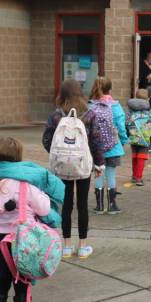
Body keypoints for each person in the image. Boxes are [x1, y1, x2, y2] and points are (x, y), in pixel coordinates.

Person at [0, 137, 65, 302]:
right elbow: (44, 208)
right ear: (18, 159)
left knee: (0, 282)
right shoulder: (24, 184)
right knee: (22, 284)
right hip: (23, 239)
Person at [42, 79, 105, 259]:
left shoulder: (56, 116)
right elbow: (96, 141)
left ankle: (67, 246)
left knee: (67, 205)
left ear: (62, 94)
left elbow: (46, 140)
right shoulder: (89, 114)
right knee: (83, 205)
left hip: (62, 168)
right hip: (83, 166)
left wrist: (59, 157)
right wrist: (98, 163)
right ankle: (83, 246)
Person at [88, 76, 128, 214]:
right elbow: (121, 128)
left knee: (98, 174)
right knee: (111, 174)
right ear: (110, 89)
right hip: (113, 148)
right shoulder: (116, 106)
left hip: (96, 149)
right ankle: (112, 205)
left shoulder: (90, 106)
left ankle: (99, 206)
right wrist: (122, 141)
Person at [126, 89, 151, 186]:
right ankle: (139, 178)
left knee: (135, 156)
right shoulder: (150, 110)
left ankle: (134, 176)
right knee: (141, 157)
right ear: (147, 98)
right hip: (145, 137)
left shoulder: (130, 109)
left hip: (133, 135)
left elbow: (126, 122)